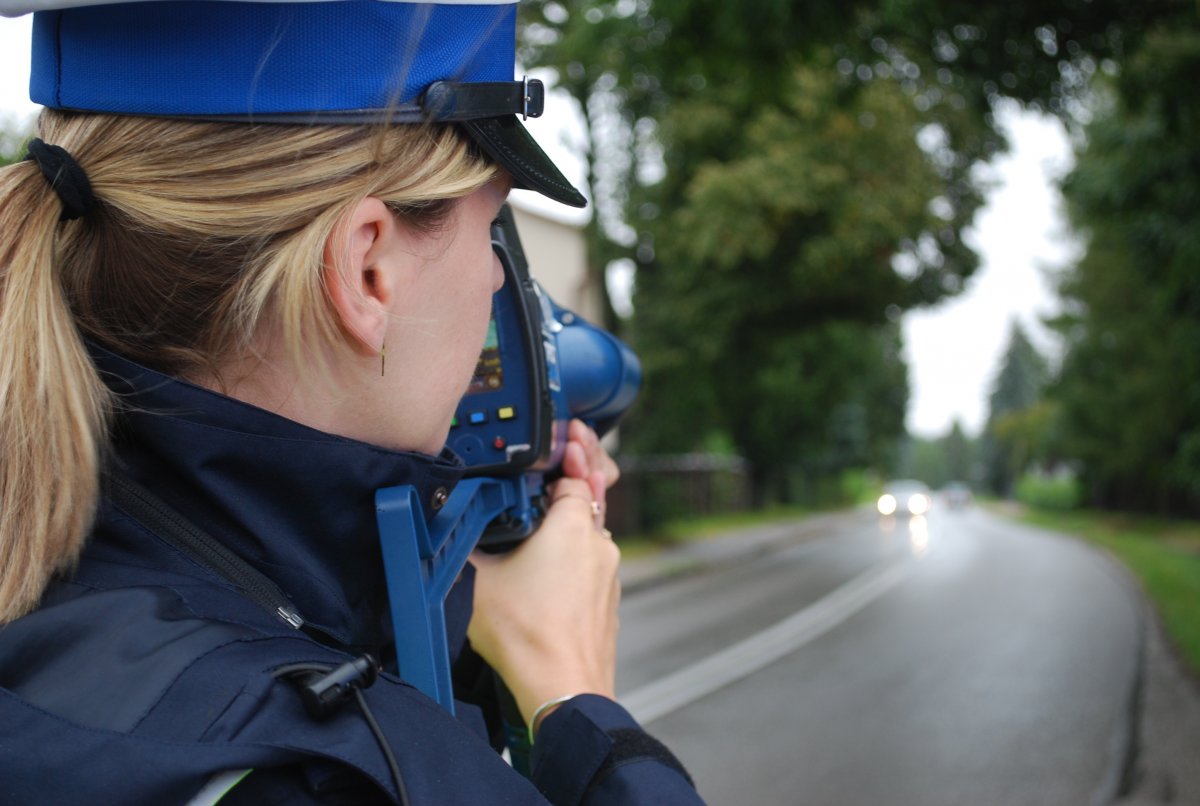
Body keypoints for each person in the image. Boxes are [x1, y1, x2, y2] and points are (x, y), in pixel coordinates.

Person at [0, 2, 703, 803]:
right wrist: (582, 709)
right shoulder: (337, 780)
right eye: (491, 228)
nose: (501, 282)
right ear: (369, 271)